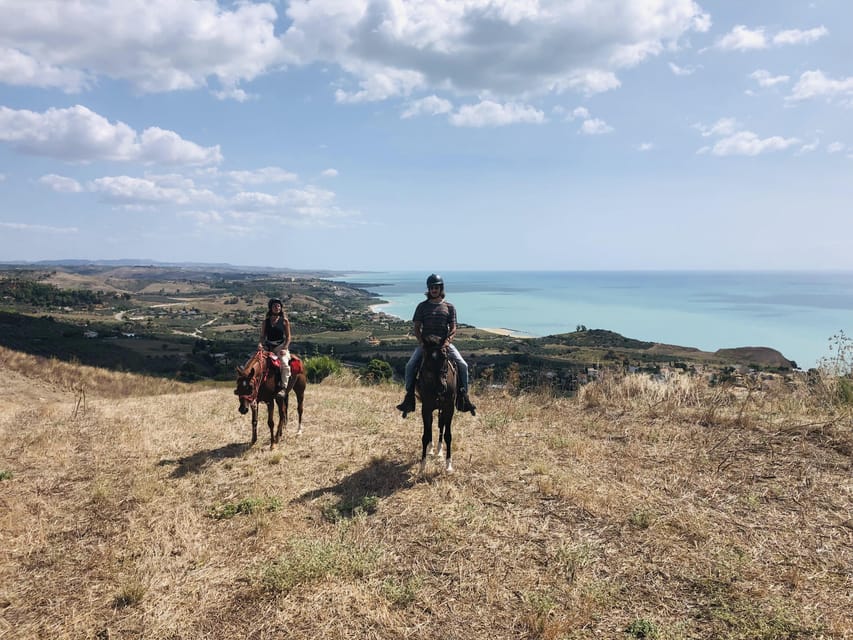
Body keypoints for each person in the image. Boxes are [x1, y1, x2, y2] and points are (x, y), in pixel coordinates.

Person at [396, 274, 476, 416]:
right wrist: (421, 342)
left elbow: (453, 328)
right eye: (432, 287)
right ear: (429, 289)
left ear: (441, 289)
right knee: (410, 366)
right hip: (426, 345)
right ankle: (409, 398)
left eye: (436, 287)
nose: (434, 290)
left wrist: (447, 342)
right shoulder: (422, 306)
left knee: (463, 365)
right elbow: (416, 327)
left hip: (444, 345)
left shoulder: (449, 307)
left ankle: (463, 397)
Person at [259, 297, 291, 397]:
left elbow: (288, 337)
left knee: (285, 364)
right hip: (268, 347)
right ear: (270, 308)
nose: (277, 308)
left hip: (280, 347)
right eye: (274, 306)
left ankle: (283, 387)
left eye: (278, 306)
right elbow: (262, 336)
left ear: (281, 308)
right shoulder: (266, 322)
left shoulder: (284, 321)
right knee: (255, 361)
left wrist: (285, 348)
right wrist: (260, 344)